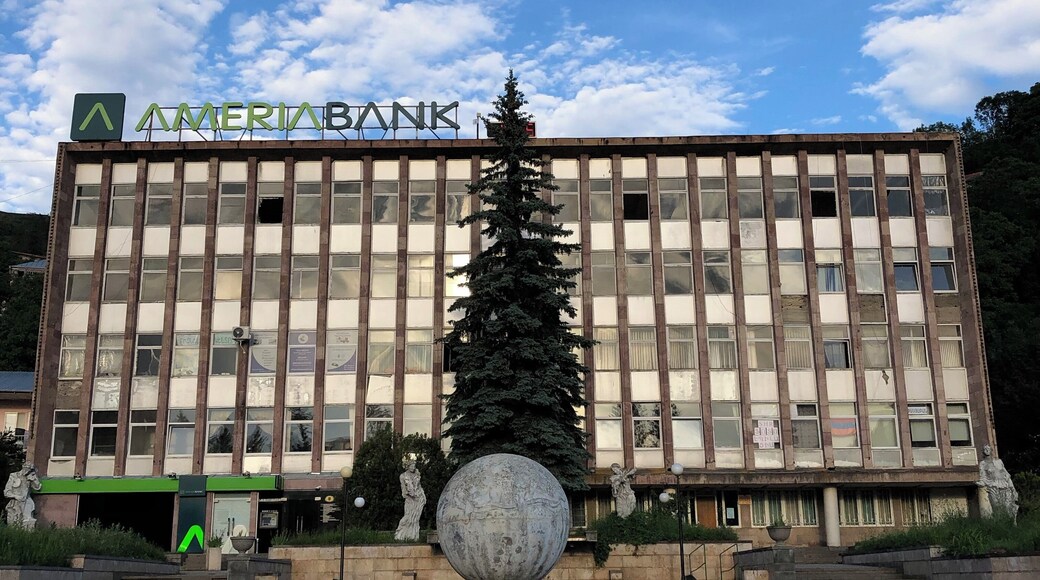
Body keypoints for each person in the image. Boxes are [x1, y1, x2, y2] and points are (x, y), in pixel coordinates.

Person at [978, 444, 1019, 521]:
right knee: (996, 507)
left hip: (1004, 486)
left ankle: (1012, 523)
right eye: (985, 449)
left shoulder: (999, 461)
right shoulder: (982, 464)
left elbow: (1006, 475)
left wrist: (1012, 488)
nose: (987, 450)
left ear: (991, 450)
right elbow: (982, 477)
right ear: (983, 451)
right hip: (993, 487)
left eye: (988, 448)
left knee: (1007, 506)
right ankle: (999, 523)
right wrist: (980, 483)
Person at [395, 460, 427, 541]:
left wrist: (423, 496)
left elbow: (419, 487)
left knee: (415, 519)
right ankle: (400, 535)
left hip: (419, 498)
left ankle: (413, 536)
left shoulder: (417, 474)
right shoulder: (403, 476)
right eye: (412, 466)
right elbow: (403, 489)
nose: (413, 467)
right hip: (410, 499)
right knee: (408, 516)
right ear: (408, 466)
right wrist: (410, 495)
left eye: (414, 466)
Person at [4, 462, 41, 529]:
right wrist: (16, 496)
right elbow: (6, 492)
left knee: (28, 522)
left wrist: (34, 479)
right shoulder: (14, 475)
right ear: (23, 467)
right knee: (13, 524)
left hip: (26, 502)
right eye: (26, 468)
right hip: (15, 504)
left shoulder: (30, 477)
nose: (27, 471)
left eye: (29, 470)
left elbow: (37, 488)